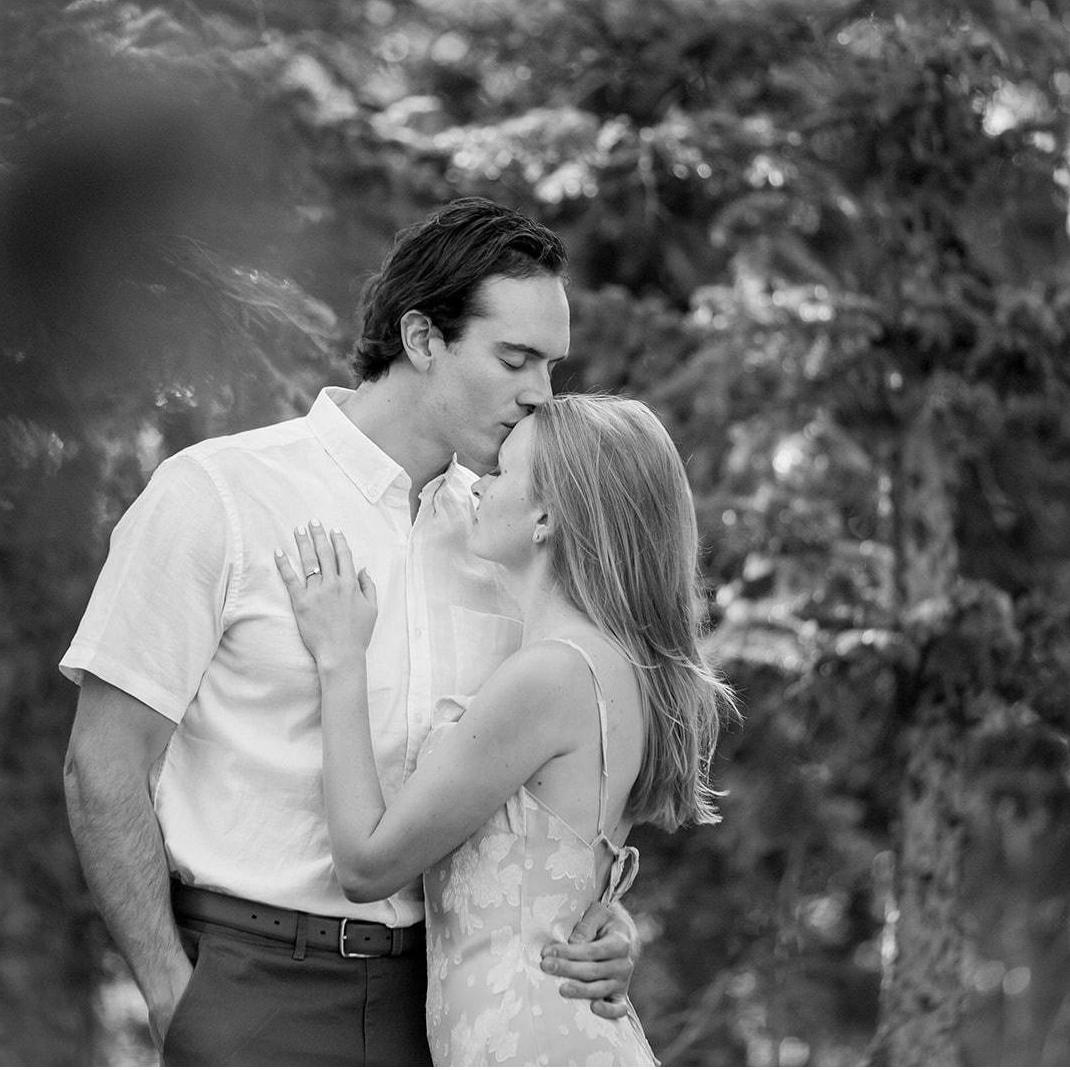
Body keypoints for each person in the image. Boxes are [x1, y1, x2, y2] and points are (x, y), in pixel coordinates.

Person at [61, 198, 639, 1066]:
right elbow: (101, 765)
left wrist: (599, 916)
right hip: (252, 992)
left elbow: (549, 772)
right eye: (515, 359)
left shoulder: (509, 537)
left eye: (551, 366)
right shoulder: (218, 495)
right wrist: (173, 995)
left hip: (448, 1008)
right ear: (423, 338)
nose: (539, 395)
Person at [275, 394, 736, 1066]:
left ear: (547, 517)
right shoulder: (614, 666)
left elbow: (366, 865)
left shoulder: (549, 675)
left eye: (501, 472)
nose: (477, 484)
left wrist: (342, 659)